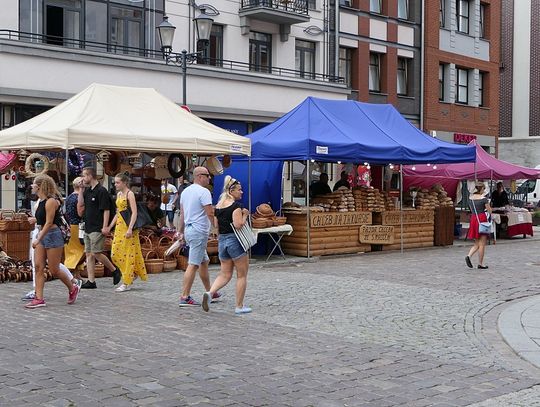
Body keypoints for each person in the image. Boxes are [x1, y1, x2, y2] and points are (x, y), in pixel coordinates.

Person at [24, 174, 80, 308]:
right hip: (43, 233)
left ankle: (72, 287)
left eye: (34, 184)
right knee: (38, 267)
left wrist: (38, 239)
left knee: (54, 269)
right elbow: (43, 220)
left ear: (40, 186)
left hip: (53, 235)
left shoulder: (51, 201)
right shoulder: (41, 201)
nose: (32, 186)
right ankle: (39, 298)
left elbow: (49, 223)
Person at [202, 176, 251, 315]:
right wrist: (245, 215)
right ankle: (239, 306)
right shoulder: (236, 207)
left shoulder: (218, 206)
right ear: (232, 190)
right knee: (241, 275)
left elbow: (216, 225)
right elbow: (238, 225)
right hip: (235, 241)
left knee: (224, 274)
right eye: (240, 190)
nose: (241, 192)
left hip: (222, 241)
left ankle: (210, 293)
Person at [177, 166, 221, 306]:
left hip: (190, 230)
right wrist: (216, 229)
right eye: (207, 175)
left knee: (203, 262)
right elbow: (210, 212)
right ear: (199, 176)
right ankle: (185, 296)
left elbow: (182, 214)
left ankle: (210, 292)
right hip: (198, 231)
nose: (209, 178)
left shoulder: (185, 192)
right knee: (193, 264)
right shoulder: (204, 192)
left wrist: (180, 231)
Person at [77, 167, 120, 288]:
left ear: (90, 176)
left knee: (96, 253)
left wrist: (105, 226)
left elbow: (106, 209)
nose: (83, 178)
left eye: (84, 175)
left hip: (98, 226)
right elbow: (81, 204)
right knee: (89, 254)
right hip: (88, 226)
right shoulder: (88, 190)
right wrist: (81, 190)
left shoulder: (101, 191)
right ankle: (91, 281)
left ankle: (114, 270)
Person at [108, 173, 147, 292]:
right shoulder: (119, 194)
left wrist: (130, 228)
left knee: (128, 253)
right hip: (119, 227)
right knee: (115, 253)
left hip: (127, 227)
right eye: (115, 182)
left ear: (124, 183)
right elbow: (118, 212)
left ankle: (126, 281)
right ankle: (130, 274)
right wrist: (110, 226)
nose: (115, 185)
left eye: (118, 182)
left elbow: (134, 212)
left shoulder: (130, 194)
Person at [466, 182, 492, 270]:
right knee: (482, 244)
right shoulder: (484, 199)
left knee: (477, 242)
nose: (484, 191)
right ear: (481, 189)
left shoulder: (471, 199)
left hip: (474, 219)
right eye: (483, 189)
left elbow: (471, 209)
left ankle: (469, 256)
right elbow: (490, 211)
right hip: (481, 219)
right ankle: (480, 263)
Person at [64, 177, 85, 278]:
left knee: (71, 250)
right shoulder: (79, 197)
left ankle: (76, 273)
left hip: (69, 225)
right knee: (79, 250)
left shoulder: (69, 197)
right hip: (77, 226)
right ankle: (70, 270)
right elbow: (80, 213)